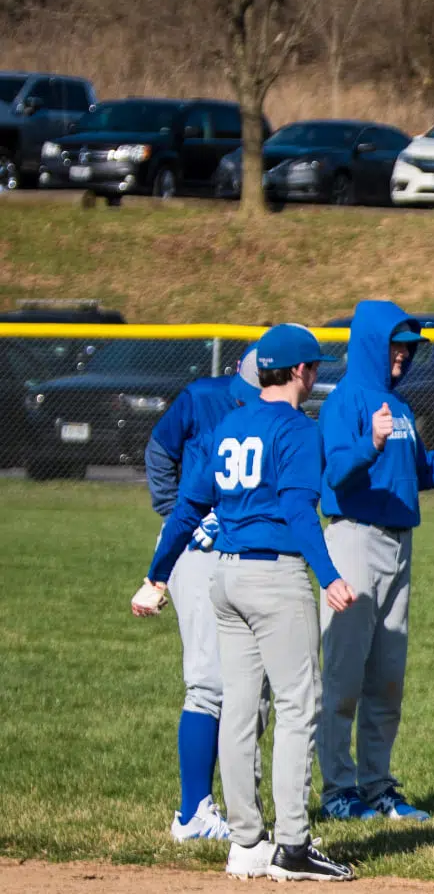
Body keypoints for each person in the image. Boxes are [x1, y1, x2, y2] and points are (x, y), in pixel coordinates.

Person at [133, 324, 358, 883]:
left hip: (225, 580)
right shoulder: (296, 430)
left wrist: (156, 577)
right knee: (297, 706)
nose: (316, 376)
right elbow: (301, 513)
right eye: (315, 368)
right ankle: (293, 847)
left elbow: (187, 506)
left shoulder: (231, 424)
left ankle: (245, 842)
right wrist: (328, 575)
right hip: (274, 577)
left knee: (238, 708)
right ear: (302, 372)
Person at [316, 300, 434, 822]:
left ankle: (377, 786)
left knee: (386, 678)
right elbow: (335, 473)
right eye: (396, 345)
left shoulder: (398, 408)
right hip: (355, 539)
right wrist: (370, 443)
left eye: (409, 347)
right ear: (372, 344)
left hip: (399, 543)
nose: (403, 355)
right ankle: (338, 791)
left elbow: (423, 470)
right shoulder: (346, 401)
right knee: (342, 677)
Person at [142, 348, 259, 843]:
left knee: (253, 687)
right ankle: (192, 813)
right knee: (210, 681)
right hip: (196, 548)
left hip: (247, 551)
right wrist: (176, 516)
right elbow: (159, 449)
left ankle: (239, 809)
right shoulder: (203, 396)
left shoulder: (282, 412)